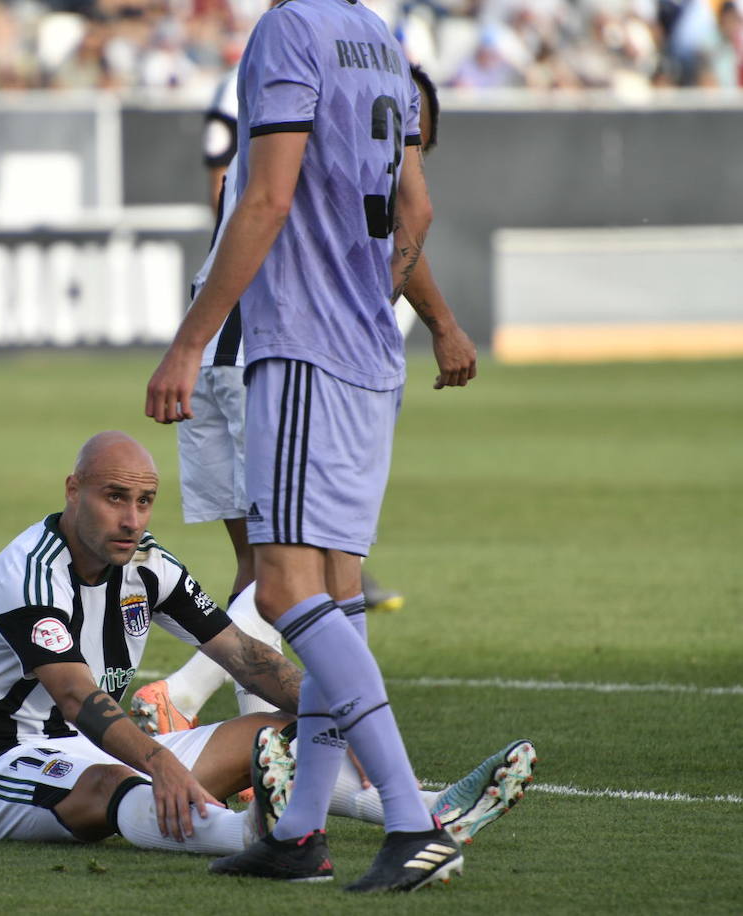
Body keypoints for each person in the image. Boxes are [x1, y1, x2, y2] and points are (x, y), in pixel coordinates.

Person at [145, 0, 479, 893]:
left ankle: (411, 818)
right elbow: (417, 205)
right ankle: (301, 833)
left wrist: (188, 342)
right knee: (334, 591)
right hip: (374, 351)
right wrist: (405, 304)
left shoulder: (289, 32)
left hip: (303, 351)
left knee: (286, 587)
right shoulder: (381, 38)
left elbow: (265, 196)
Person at [0, 432, 532, 861]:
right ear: (74, 491)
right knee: (106, 784)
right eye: (114, 497)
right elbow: (75, 698)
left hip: (99, 746)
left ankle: (432, 811)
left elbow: (248, 658)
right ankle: (255, 837)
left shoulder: (148, 566)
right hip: (1, 764)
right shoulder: (29, 573)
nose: (131, 518)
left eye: (143, 502)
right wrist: (158, 760)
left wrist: (342, 715)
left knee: (279, 733)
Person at [132, 64, 447, 742]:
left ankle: (257, 750)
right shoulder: (342, 150)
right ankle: (182, 693)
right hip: (268, 356)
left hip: (214, 340)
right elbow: (398, 228)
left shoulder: (275, 131)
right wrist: (442, 327)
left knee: (257, 567)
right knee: (295, 571)